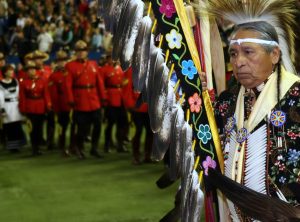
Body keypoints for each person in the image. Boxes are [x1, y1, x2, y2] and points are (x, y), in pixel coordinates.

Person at [200, 17, 300, 222]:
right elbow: (205, 141)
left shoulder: (295, 96)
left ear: (274, 55)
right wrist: (195, 93)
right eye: (233, 54)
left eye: (248, 52)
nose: (238, 62)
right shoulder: (229, 100)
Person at [65, 40, 106, 159]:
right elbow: (68, 85)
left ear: (87, 52)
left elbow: (99, 82)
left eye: (83, 50)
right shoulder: (70, 66)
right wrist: (71, 100)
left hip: (94, 100)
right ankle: (79, 148)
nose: (81, 53)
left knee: (97, 126)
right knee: (82, 128)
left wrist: (103, 97)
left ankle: (94, 148)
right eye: (78, 51)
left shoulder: (93, 64)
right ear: (75, 52)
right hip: (80, 100)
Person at [19, 61, 51, 156]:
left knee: (40, 128)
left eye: (33, 69)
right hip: (30, 107)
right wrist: (23, 110)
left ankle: (38, 146)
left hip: (40, 106)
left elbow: (46, 94)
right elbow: (22, 97)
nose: (31, 71)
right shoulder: (24, 82)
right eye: (29, 70)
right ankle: (34, 148)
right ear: (26, 72)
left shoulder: (42, 80)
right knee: (32, 129)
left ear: (36, 70)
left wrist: (48, 105)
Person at [101, 55, 129, 153]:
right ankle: (107, 144)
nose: (114, 59)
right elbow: (101, 85)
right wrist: (104, 98)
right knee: (110, 123)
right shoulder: (104, 70)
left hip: (121, 99)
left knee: (122, 123)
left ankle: (120, 144)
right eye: (111, 58)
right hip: (110, 99)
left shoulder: (121, 69)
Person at [48, 50, 71, 156]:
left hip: (74, 103)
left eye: (64, 60)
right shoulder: (53, 76)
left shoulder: (70, 72)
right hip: (62, 104)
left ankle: (73, 146)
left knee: (75, 125)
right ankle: (62, 146)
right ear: (57, 62)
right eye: (60, 61)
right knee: (62, 126)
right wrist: (56, 109)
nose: (62, 63)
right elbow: (53, 95)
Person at [0, 64, 26, 152]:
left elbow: (19, 93)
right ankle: (12, 146)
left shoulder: (15, 81)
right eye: (9, 70)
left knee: (17, 125)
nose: (12, 72)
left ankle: (19, 143)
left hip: (16, 105)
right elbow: (1, 97)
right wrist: (2, 108)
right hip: (7, 106)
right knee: (9, 126)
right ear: (5, 73)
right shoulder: (1, 84)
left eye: (12, 70)